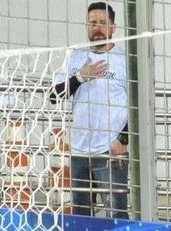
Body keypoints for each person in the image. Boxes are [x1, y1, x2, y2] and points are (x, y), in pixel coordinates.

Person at [50, 2, 130, 218]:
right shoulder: (75, 56)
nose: (97, 28)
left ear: (113, 27)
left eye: (103, 23)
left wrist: (123, 140)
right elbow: (53, 95)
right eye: (92, 23)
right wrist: (79, 77)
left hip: (109, 151)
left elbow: (138, 106)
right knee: (81, 216)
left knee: (116, 214)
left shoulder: (126, 61)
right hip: (79, 151)